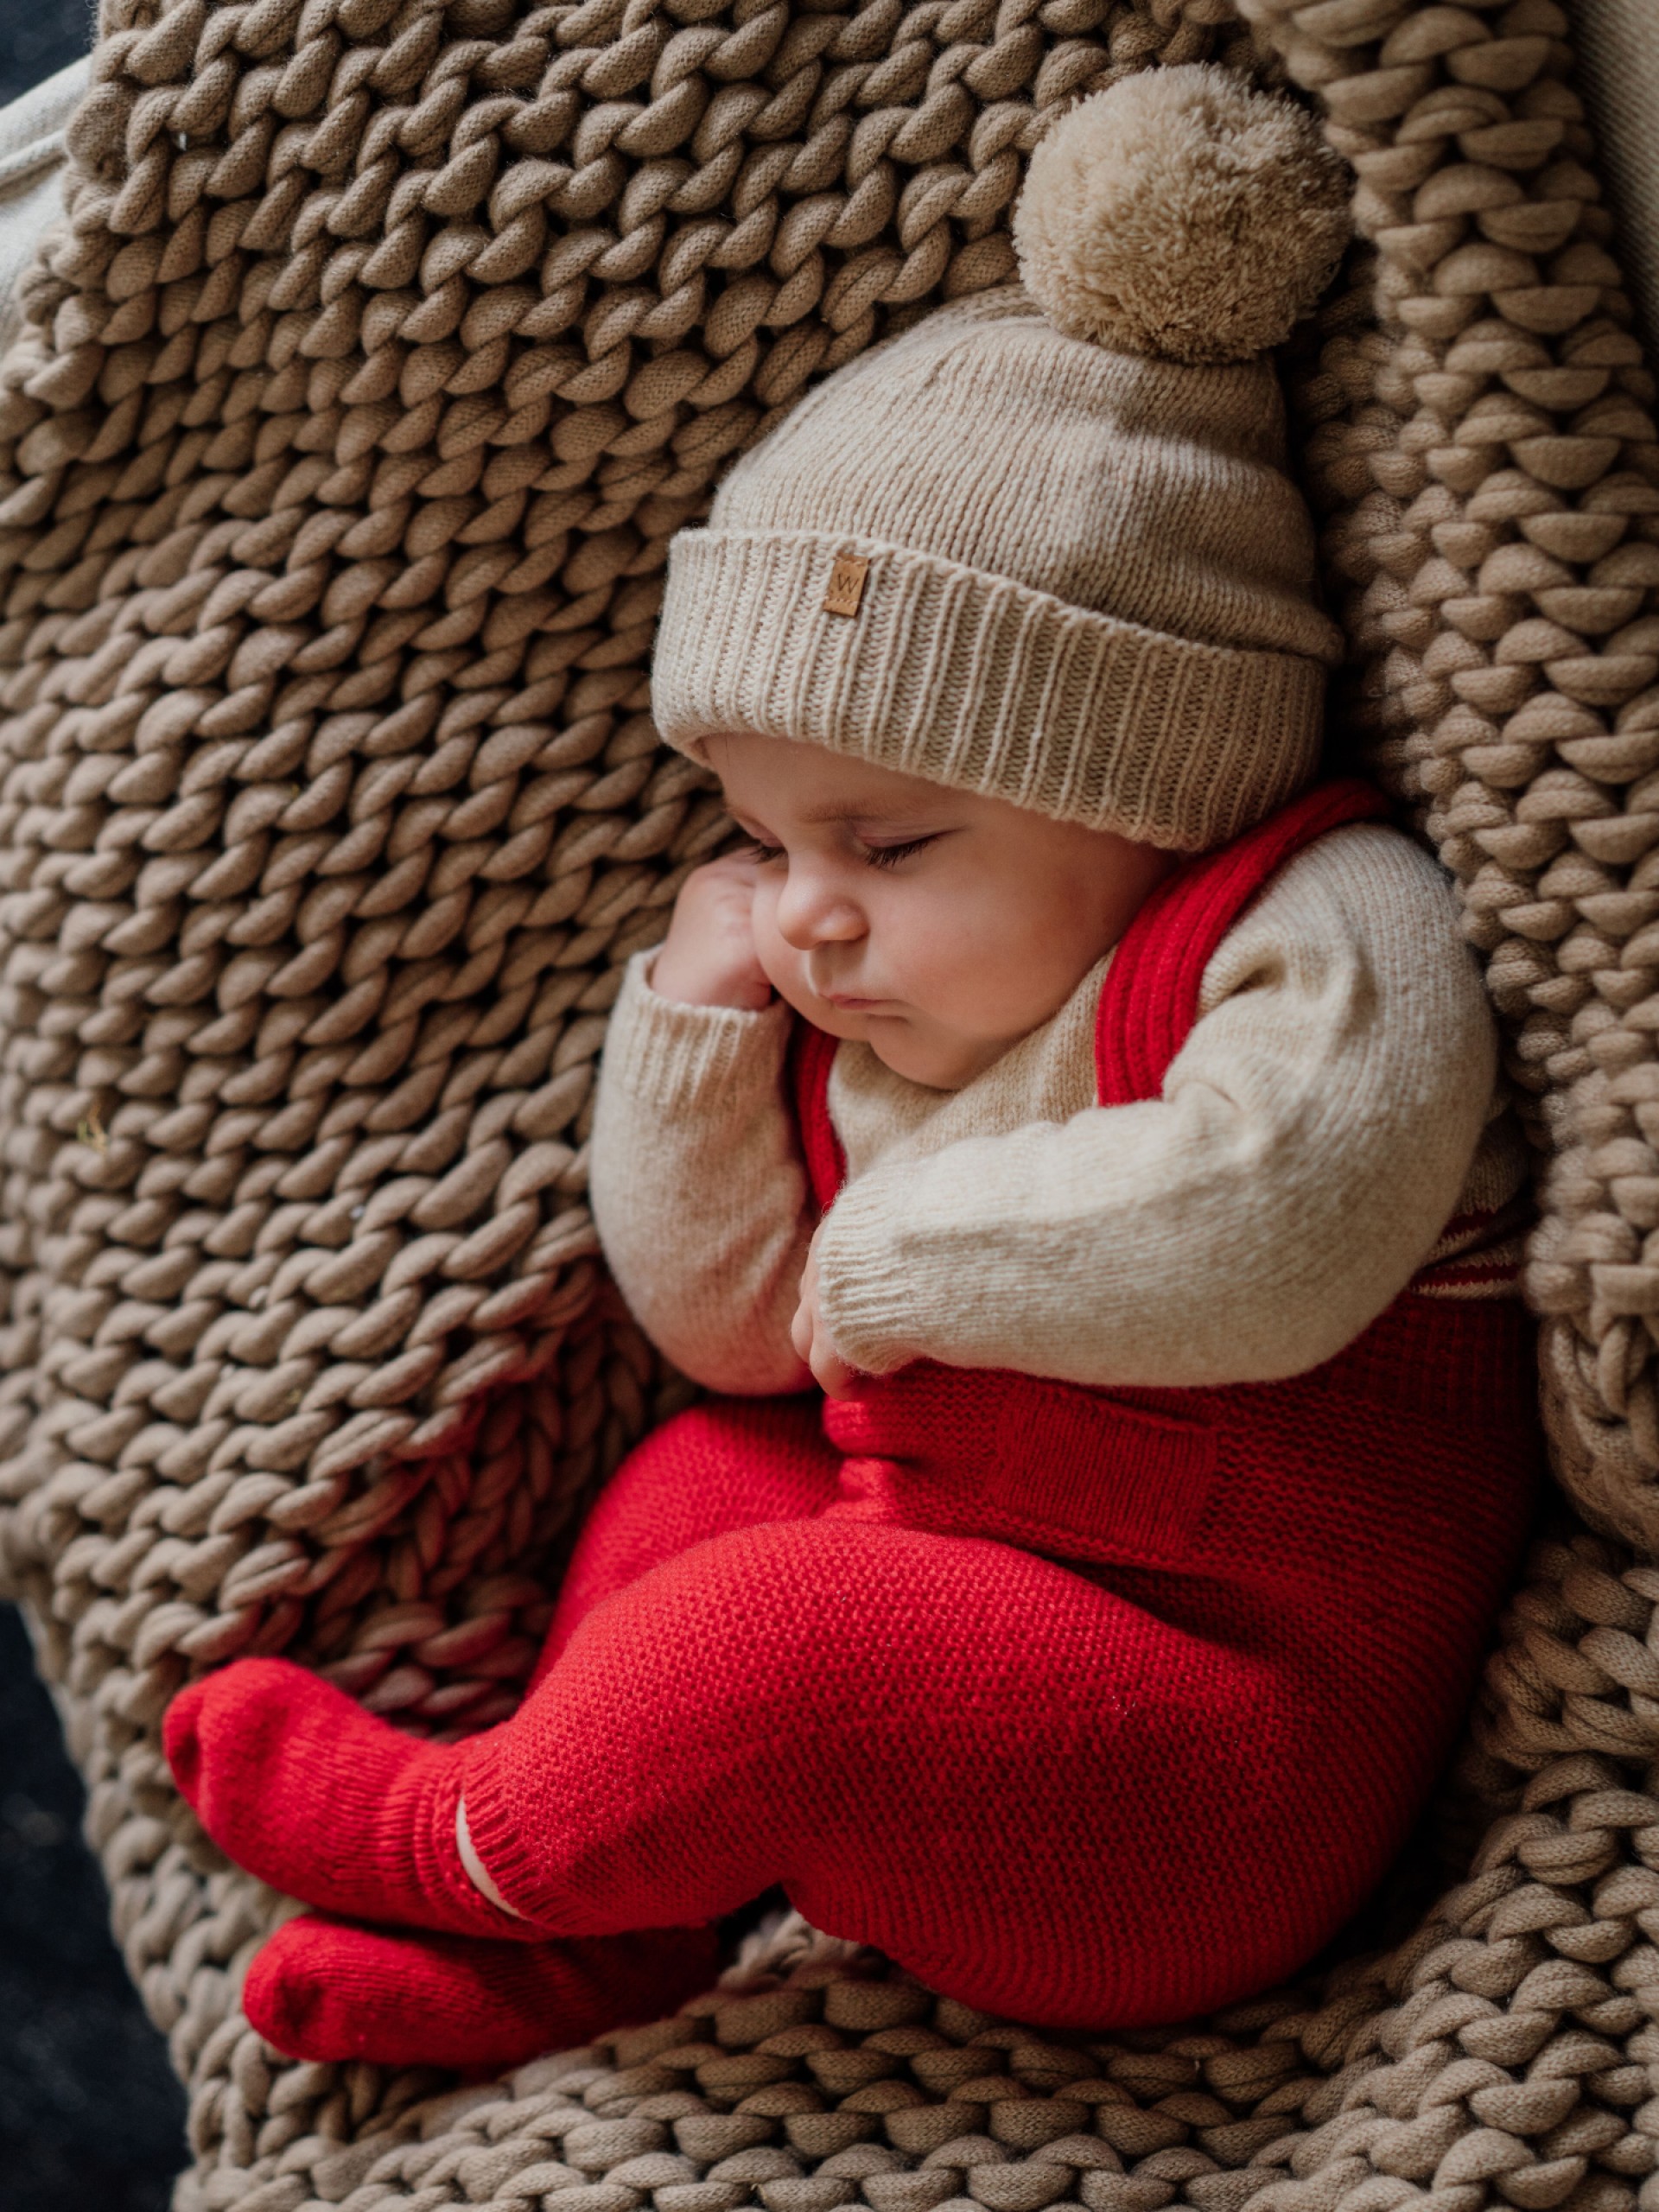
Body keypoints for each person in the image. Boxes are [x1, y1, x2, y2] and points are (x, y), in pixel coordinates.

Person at [162, 64, 1541, 2072]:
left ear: (1143, 779)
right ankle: (600, 1944)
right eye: (763, 837)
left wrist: (894, 1259)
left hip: (1208, 1768)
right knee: (700, 1482)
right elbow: (744, 1335)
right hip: (982, 1653)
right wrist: (698, 1032)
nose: (807, 911)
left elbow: (1287, 1216)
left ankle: (457, 1836)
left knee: (779, 1651)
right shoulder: (909, 1014)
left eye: (882, 844)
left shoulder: (1303, 926)